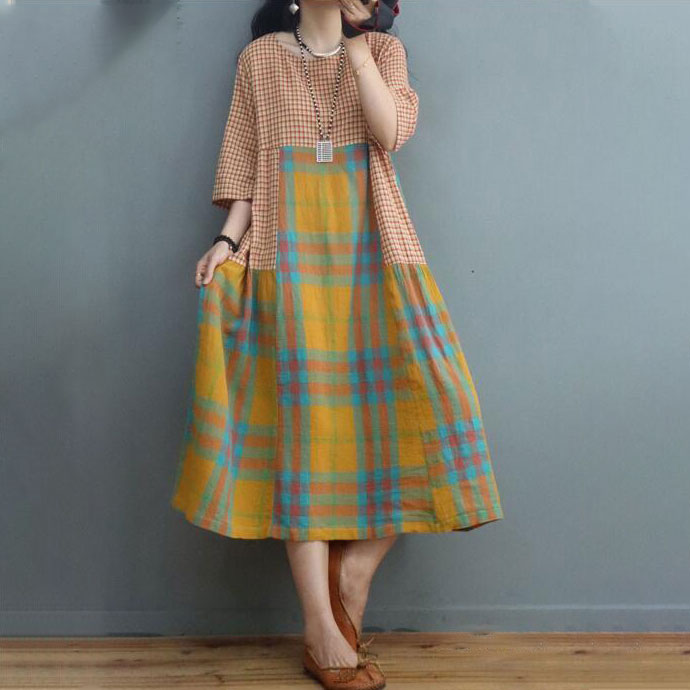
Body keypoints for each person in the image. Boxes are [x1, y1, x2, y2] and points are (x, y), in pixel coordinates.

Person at [170, 1, 504, 688]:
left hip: (376, 256)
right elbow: (245, 166)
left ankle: (350, 576)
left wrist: (357, 45)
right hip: (286, 261)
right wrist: (226, 241)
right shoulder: (259, 60)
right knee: (304, 437)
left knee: (440, 410)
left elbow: (391, 131)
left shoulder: (384, 54)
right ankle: (321, 630)